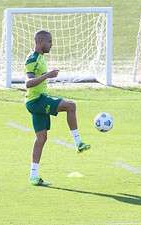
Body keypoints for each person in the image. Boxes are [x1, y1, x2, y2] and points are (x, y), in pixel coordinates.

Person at [25, 30, 91, 186]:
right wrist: (47, 75)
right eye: (49, 41)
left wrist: (47, 75)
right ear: (40, 41)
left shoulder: (40, 58)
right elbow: (28, 83)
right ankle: (78, 142)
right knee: (71, 106)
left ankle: (33, 176)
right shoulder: (32, 59)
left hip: (36, 101)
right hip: (37, 101)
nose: (51, 44)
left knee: (41, 139)